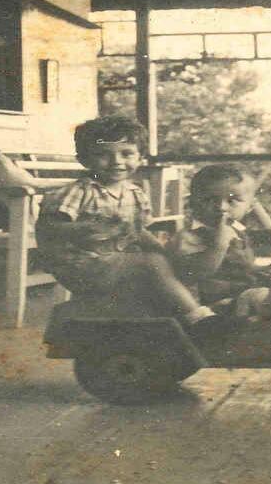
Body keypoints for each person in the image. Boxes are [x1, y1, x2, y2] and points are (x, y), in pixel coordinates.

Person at [36, 115, 215, 327]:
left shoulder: (135, 193)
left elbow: (138, 232)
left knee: (170, 262)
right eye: (103, 154)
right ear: (84, 159)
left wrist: (165, 253)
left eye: (127, 153)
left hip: (115, 261)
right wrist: (84, 228)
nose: (117, 162)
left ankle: (174, 319)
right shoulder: (79, 192)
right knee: (152, 264)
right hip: (81, 265)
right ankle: (198, 318)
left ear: (140, 157)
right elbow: (47, 228)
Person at [168, 164, 271, 322]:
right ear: (192, 202)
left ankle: (253, 318)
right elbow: (196, 273)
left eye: (232, 200)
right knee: (260, 298)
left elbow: (240, 266)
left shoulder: (237, 230)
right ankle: (242, 322)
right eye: (209, 200)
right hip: (209, 303)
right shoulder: (188, 237)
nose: (221, 207)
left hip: (239, 292)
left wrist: (260, 269)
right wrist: (219, 246)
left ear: (249, 206)